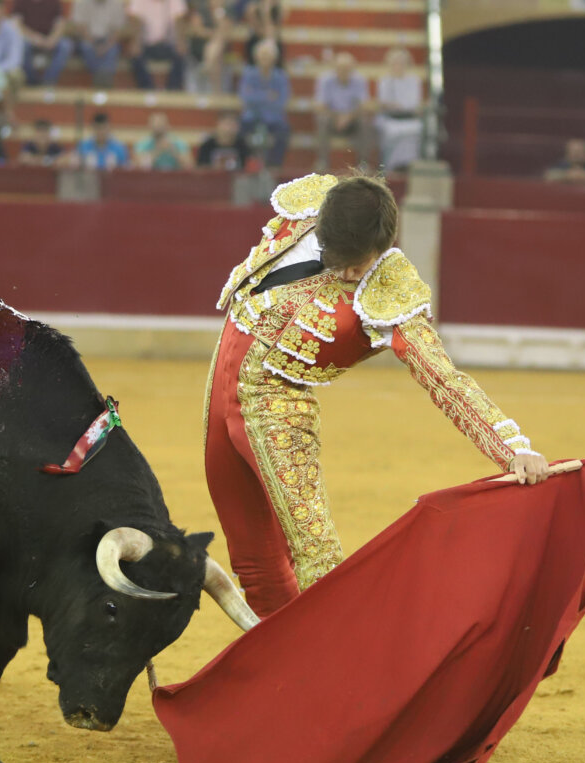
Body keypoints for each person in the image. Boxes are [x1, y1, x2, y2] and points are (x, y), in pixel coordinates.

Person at [205, 172, 549, 617]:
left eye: (360, 263)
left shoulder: (390, 290)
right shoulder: (304, 213)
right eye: (338, 258)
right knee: (253, 563)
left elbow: (443, 378)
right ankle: (290, 676)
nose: (348, 273)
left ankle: (341, 670)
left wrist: (513, 449)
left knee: (318, 561)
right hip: (219, 395)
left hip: (278, 414)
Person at [314, 51, 374, 170]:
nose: (343, 71)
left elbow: (365, 106)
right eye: (340, 68)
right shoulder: (325, 80)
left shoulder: (359, 80)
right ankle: (322, 162)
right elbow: (319, 106)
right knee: (322, 119)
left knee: (364, 122)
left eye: (347, 68)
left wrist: (348, 117)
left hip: (352, 119)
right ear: (334, 68)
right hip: (332, 118)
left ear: (352, 69)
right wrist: (337, 117)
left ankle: (363, 163)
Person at [238, 37, 289, 167]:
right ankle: (246, 165)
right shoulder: (249, 74)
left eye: (268, 56)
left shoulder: (280, 76)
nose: (265, 59)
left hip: (274, 119)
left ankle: (274, 167)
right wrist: (268, 96)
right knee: (239, 134)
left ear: (274, 59)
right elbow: (246, 98)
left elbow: (281, 101)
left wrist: (257, 96)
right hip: (251, 117)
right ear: (256, 57)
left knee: (283, 133)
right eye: (262, 55)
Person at [374, 47, 423, 172]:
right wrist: (392, 105)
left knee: (416, 130)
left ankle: (408, 166)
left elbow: (413, 103)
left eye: (402, 63)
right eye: (395, 63)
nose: (399, 66)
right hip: (390, 118)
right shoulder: (385, 81)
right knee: (391, 132)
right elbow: (384, 103)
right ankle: (389, 168)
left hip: (409, 118)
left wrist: (400, 106)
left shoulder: (414, 81)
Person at [59, 0, 126, 88]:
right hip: (87, 39)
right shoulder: (81, 3)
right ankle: (102, 79)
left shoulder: (117, 4)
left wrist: (106, 46)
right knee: (86, 47)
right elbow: (80, 27)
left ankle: (102, 78)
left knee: (113, 49)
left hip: (108, 40)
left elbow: (118, 30)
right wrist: (94, 45)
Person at [127, 0, 186, 91]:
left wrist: (180, 42)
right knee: (135, 56)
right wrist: (136, 43)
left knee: (182, 55)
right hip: (147, 44)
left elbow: (179, 20)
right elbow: (136, 21)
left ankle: (172, 91)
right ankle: (147, 90)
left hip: (168, 44)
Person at [16, 0, 66, 86]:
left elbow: (61, 24)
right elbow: (17, 24)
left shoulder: (54, 2)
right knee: (22, 45)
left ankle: (48, 81)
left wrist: (52, 39)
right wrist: (33, 38)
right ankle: (32, 81)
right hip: (29, 39)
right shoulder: (21, 2)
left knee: (66, 45)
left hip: (50, 39)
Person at [185, 0, 229, 94]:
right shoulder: (200, 10)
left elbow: (225, 31)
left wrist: (218, 12)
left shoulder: (223, 12)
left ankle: (207, 66)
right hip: (200, 48)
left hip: (219, 52)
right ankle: (216, 92)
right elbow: (198, 30)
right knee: (214, 48)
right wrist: (214, 34)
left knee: (216, 47)